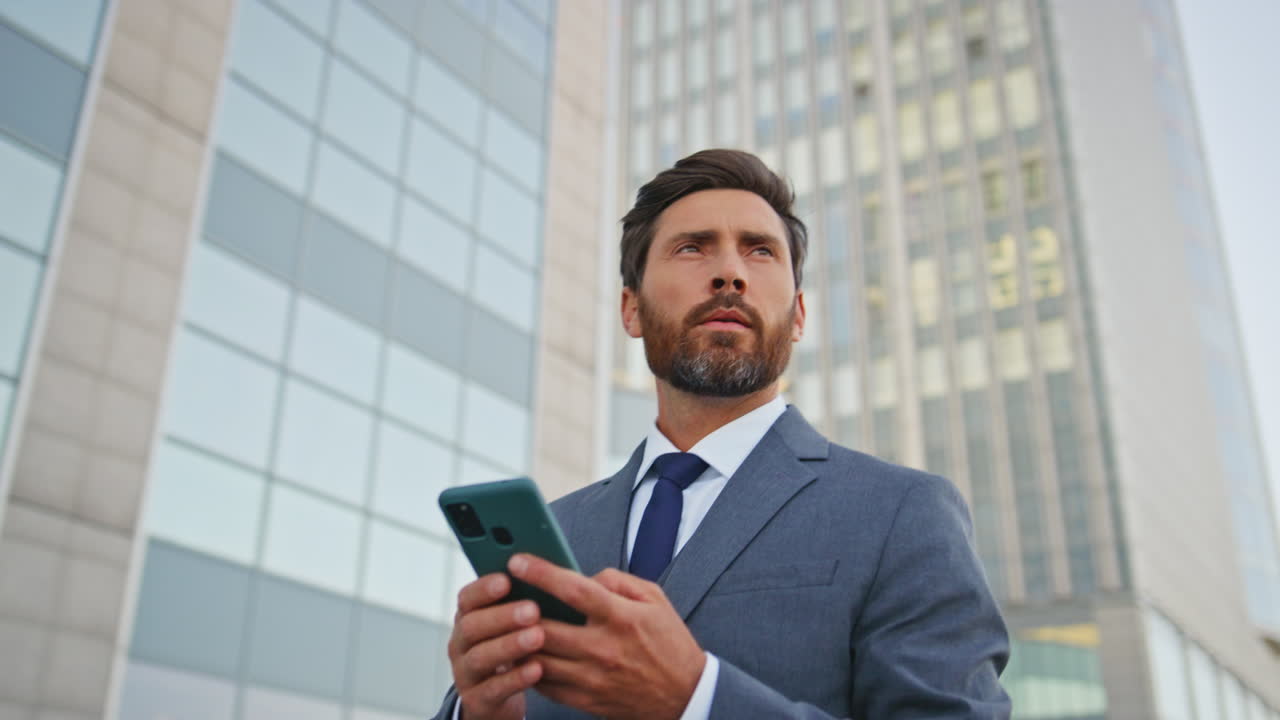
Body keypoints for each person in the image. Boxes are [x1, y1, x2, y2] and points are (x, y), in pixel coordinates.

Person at [434, 149, 1011, 719]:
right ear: (631, 310)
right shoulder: (552, 536)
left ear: (799, 315)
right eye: (692, 247)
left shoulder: (902, 512)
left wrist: (697, 699)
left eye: (760, 251)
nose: (731, 273)